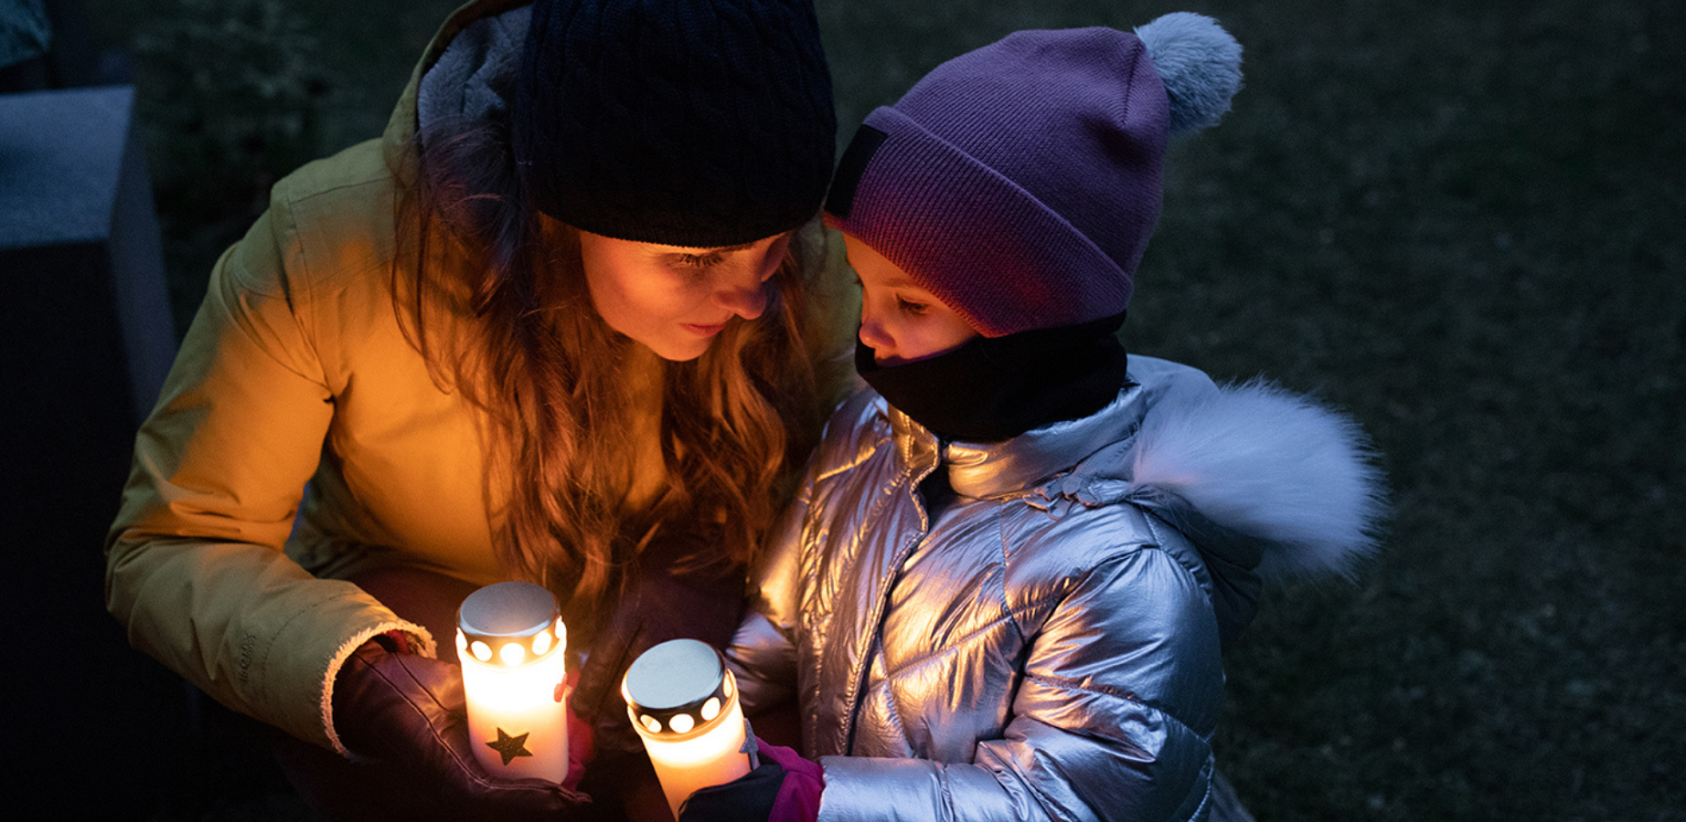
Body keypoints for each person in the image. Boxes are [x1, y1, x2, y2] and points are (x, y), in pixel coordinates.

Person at [102, 0, 854, 818]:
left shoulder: (803, 273)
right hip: (438, 689)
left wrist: (718, 565)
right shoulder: (332, 254)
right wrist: (367, 679)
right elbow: (177, 543)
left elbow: (885, 486)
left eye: (776, 240)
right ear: (560, 210)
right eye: (694, 257)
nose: (751, 298)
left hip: (707, 679)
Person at [684, 13, 1388, 822]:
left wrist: (818, 802)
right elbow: (783, 622)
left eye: (910, 304)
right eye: (863, 286)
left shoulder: (1125, 566)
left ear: (1031, 315)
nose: (867, 331)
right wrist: (676, 711)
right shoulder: (868, 434)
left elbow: (1071, 800)